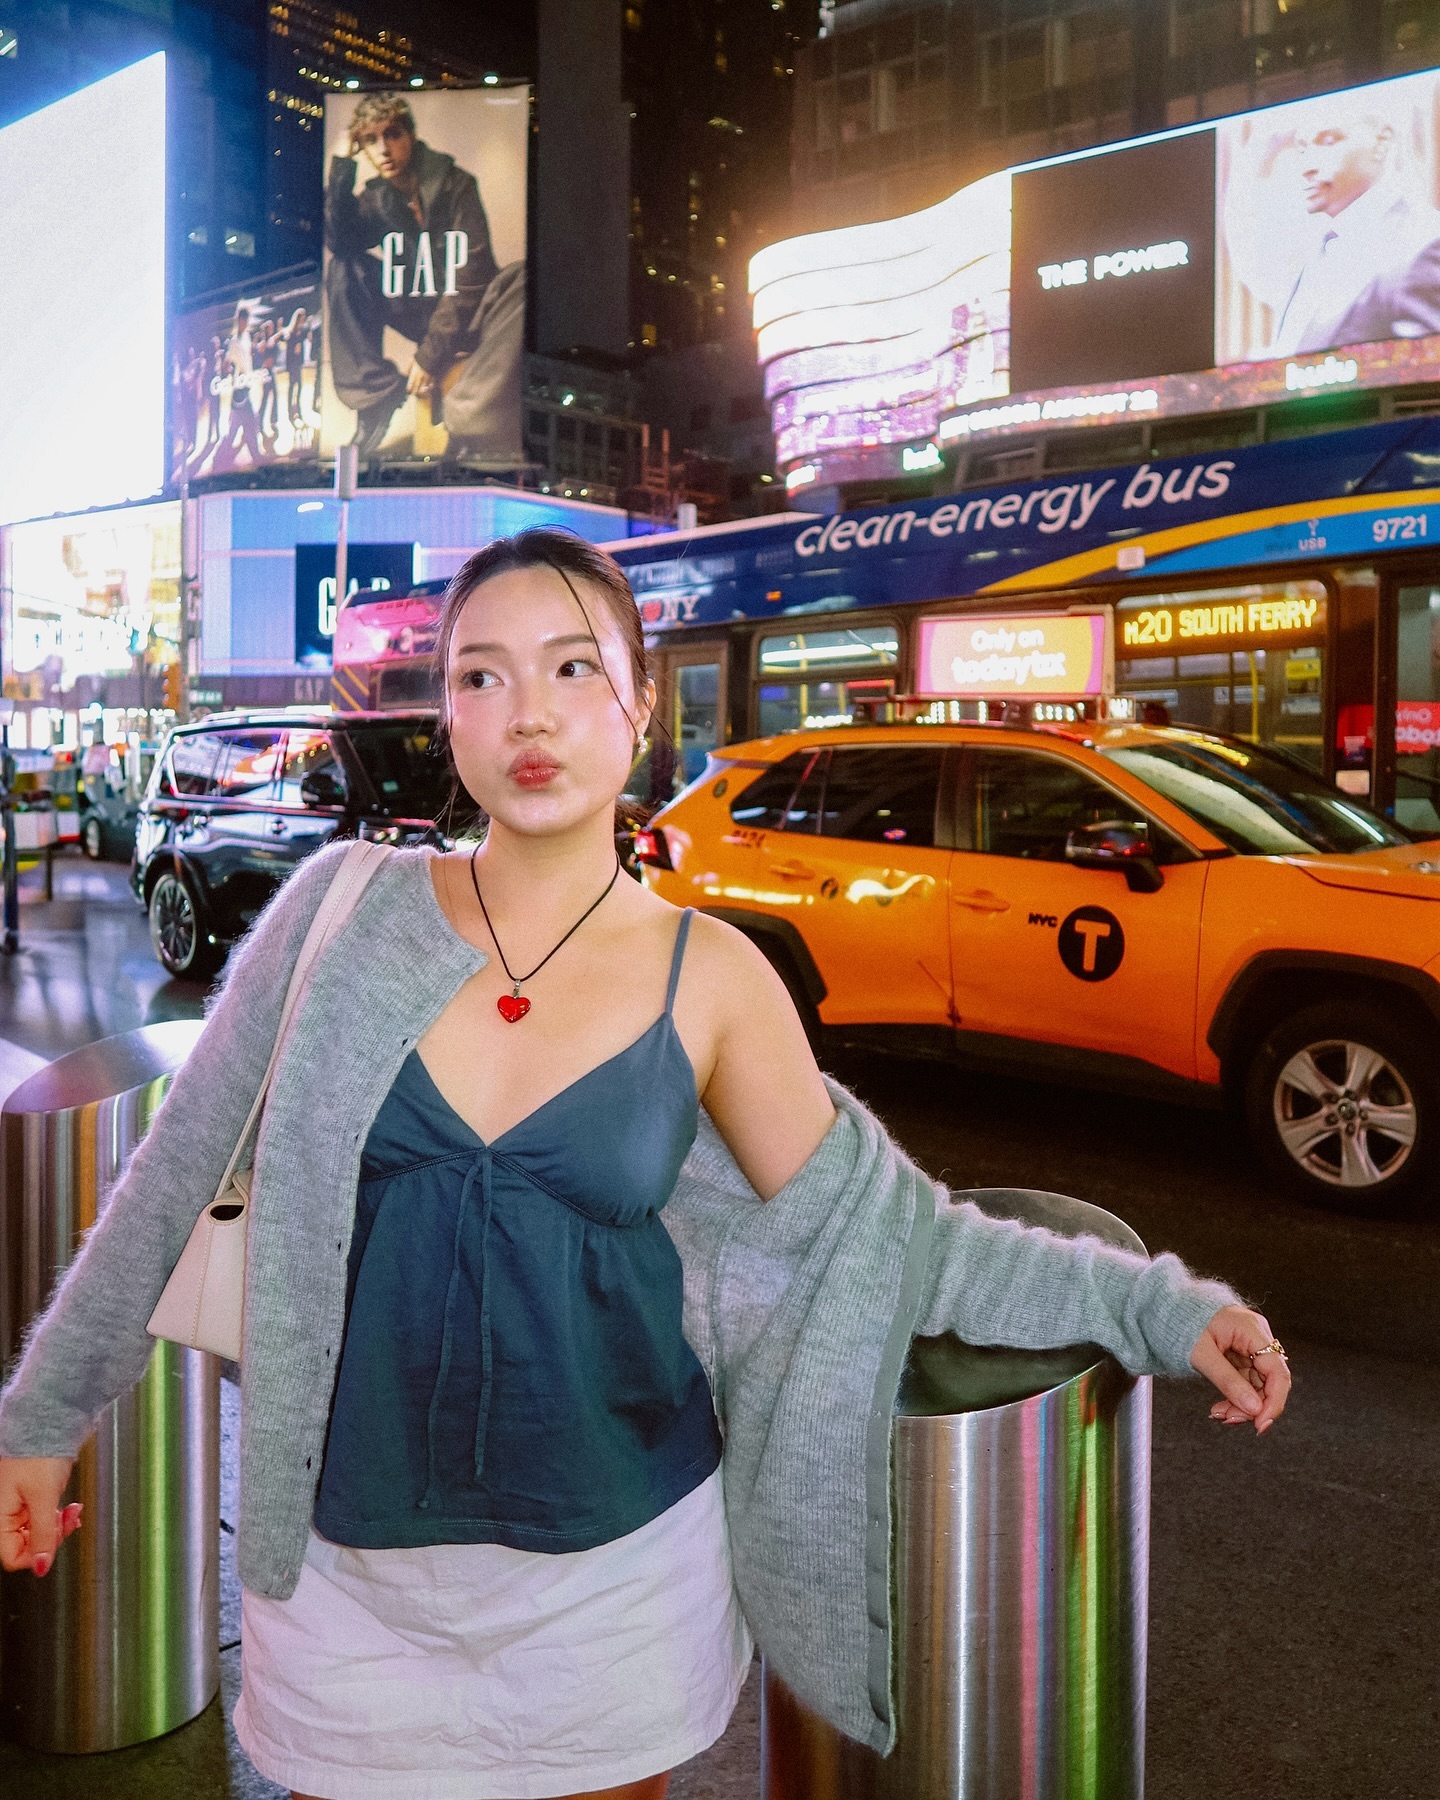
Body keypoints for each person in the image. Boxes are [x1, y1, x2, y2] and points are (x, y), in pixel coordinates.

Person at [0, 530, 1290, 1800]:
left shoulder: (713, 975)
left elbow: (897, 1236)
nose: (529, 716)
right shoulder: (338, 909)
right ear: (445, 716)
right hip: (346, 1584)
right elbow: (169, 1185)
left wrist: (1165, 1310)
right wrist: (43, 1420)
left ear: (638, 704)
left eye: (572, 669)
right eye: (481, 676)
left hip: (611, 1591)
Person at [324, 91, 524, 462]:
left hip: (474, 315)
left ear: (411, 136)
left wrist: (429, 355)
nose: (383, 148)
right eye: (371, 139)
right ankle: (376, 399)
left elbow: (473, 275)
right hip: (421, 310)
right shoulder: (379, 196)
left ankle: (468, 420)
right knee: (344, 268)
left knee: (522, 278)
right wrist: (344, 165)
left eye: (393, 134)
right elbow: (340, 241)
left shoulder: (455, 184)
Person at [1270, 98, 1440, 356]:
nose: (1307, 168)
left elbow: (1424, 378)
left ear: (1381, 144)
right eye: (1303, 150)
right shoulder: (1320, 249)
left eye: (1328, 142)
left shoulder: (1422, 242)